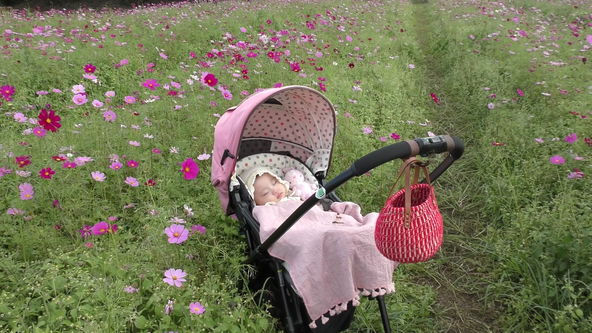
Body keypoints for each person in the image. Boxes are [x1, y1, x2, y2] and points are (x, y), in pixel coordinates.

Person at [239, 166, 397, 328]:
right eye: (265, 193)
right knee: (333, 237)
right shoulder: (266, 210)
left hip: (326, 222)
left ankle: (354, 238)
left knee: (363, 228)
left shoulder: (299, 196)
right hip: (302, 231)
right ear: (255, 200)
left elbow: (323, 209)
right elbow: (272, 230)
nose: (274, 190)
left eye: (275, 182)